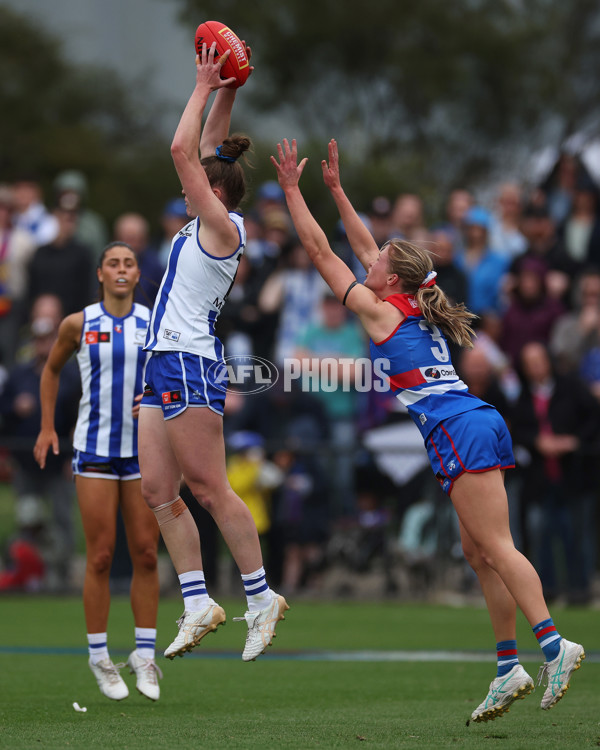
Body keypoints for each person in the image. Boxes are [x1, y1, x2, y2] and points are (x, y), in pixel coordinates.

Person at [271, 137, 585, 723]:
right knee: (478, 553)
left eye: (380, 262)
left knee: (495, 547)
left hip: (457, 424)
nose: (372, 261)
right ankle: (506, 667)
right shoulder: (412, 297)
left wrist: (294, 191)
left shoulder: (382, 309)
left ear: (391, 280)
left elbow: (320, 252)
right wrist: (337, 191)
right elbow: (367, 247)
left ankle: (553, 645)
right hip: (471, 418)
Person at [138, 43, 288, 664]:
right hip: (160, 359)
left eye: (198, 181)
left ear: (213, 191)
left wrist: (199, 84)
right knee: (157, 489)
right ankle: (198, 601)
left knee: (209, 487)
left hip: (191, 360)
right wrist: (229, 86)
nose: (186, 181)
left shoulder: (223, 229)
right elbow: (207, 150)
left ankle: (260, 598)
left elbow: (182, 151)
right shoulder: (210, 217)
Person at [33, 242, 161, 702]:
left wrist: (155, 399)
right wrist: (48, 427)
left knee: (146, 553)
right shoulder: (79, 323)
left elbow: (174, 374)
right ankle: (99, 656)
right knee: (101, 556)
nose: (122, 270)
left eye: (129, 263)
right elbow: (50, 371)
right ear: (100, 273)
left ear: (136, 272)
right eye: (114, 263)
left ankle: (145, 657)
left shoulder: (155, 320)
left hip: (146, 451)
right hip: (94, 451)